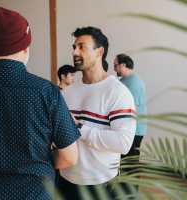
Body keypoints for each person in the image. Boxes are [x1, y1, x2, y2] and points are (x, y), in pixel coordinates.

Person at [0, 7, 80, 200]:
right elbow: (70, 157)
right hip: (35, 194)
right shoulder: (46, 92)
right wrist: (39, 163)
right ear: (25, 47)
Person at [57, 26, 136, 200]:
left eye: (81, 46)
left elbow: (123, 143)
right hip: (65, 179)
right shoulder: (68, 91)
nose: (75, 52)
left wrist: (78, 127)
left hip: (100, 184)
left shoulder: (118, 92)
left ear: (99, 52)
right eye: (74, 47)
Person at [114, 54, 147, 157]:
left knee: (131, 161)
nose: (114, 68)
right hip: (125, 127)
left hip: (135, 129)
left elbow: (129, 108)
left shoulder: (134, 82)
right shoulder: (122, 80)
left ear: (123, 65)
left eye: (115, 65)